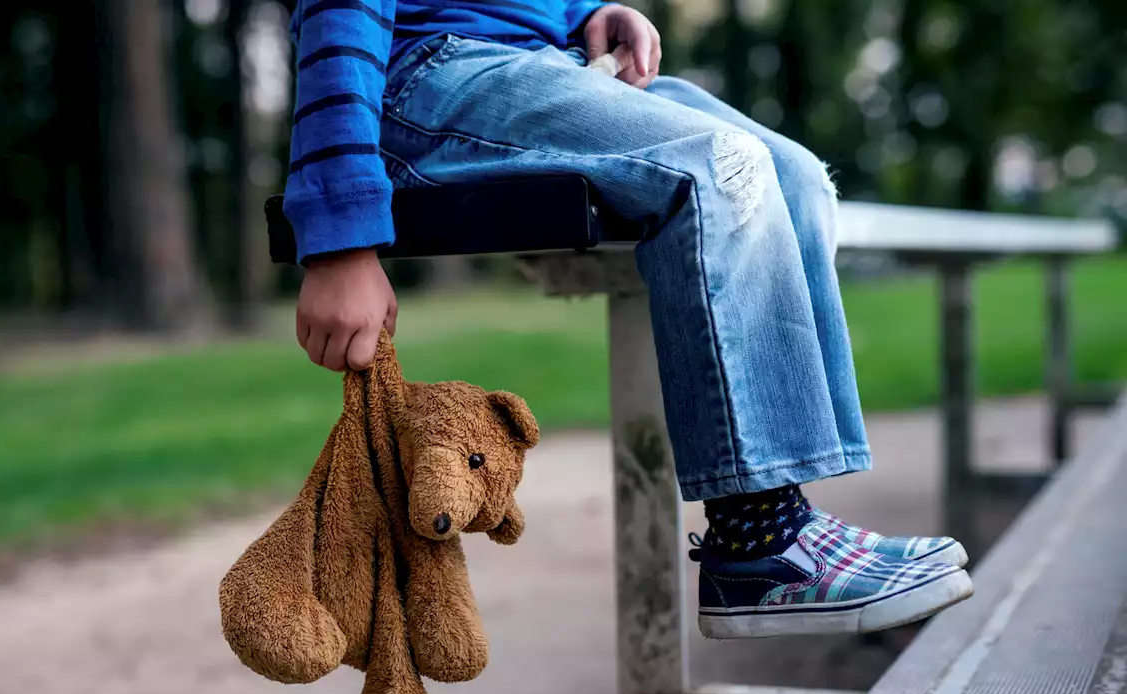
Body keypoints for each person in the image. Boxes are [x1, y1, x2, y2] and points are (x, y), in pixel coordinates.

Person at [287, 0, 974, 638]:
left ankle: (791, 515)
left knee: (797, 178)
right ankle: (759, 539)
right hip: (426, 72)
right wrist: (339, 236)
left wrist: (588, 11)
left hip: (551, 58)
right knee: (718, 164)